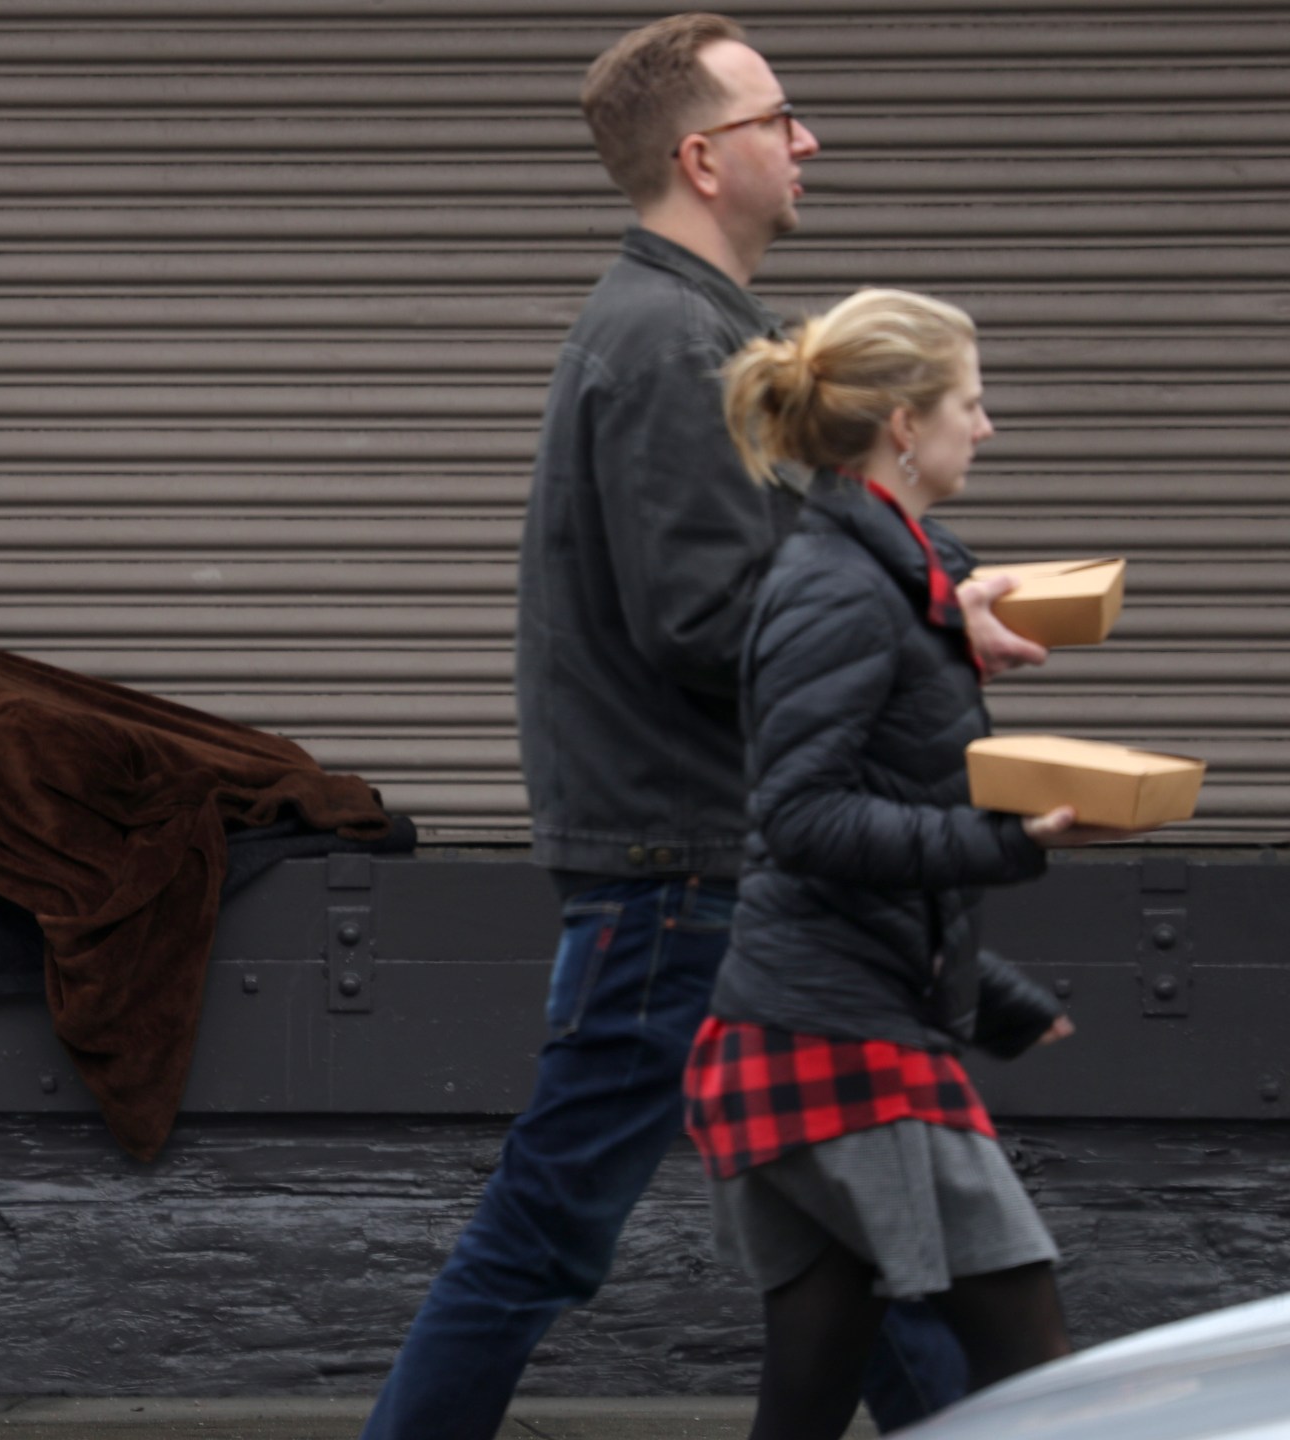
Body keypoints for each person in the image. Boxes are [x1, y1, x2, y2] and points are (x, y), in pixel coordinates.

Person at [360, 15, 1045, 1440]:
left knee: (864, 1229)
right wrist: (931, 623)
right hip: (684, 873)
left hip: (718, 870)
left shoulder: (707, 331)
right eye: (780, 118)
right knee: (559, 1225)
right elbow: (706, 613)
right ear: (700, 155)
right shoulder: (671, 342)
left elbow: (792, 569)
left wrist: (950, 586)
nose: (809, 141)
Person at [695, 286, 1118, 1440]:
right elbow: (804, 822)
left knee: (814, 1378)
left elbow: (871, 809)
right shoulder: (837, 589)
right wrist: (1010, 840)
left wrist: (991, 996)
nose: (984, 428)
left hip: (814, 1020)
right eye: (969, 405)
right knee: (1027, 1354)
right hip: (833, 1041)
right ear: (901, 427)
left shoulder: (883, 574)